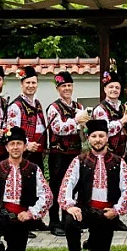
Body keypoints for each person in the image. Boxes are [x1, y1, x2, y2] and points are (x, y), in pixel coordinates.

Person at [57, 119, 127, 251]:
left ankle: (93, 240)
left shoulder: (118, 162)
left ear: (107, 137)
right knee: (70, 221)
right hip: (85, 210)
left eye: (101, 136)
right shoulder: (79, 161)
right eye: (94, 136)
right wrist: (70, 206)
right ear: (89, 138)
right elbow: (66, 185)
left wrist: (116, 210)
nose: (98, 140)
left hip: (107, 213)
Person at [45, 70, 89, 237]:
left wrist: (84, 126)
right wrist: (76, 121)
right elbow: (58, 128)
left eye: (69, 85)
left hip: (76, 153)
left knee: (74, 186)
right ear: (58, 89)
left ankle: (69, 220)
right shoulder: (53, 107)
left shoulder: (79, 107)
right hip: (59, 153)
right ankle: (54, 222)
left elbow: (84, 129)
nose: (67, 88)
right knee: (57, 187)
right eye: (63, 86)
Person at [7, 65, 48, 171]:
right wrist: (27, 144)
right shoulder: (16, 106)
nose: (31, 86)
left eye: (33, 83)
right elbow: (12, 132)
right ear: (22, 84)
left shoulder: (37, 103)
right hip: (24, 154)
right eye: (28, 83)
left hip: (38, 153)